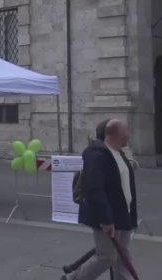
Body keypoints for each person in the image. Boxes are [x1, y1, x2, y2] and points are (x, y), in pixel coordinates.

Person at [63, 119, 137, 280]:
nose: (129, 136)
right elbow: (94, 189)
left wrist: (132, 217)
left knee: (123, 256)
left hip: (124, 215)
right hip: (107, 216)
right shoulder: (96, 154)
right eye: (126, 133)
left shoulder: (120, 154)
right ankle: (73, 278)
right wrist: (105, 219)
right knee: (107, 257)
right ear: (114, 135)